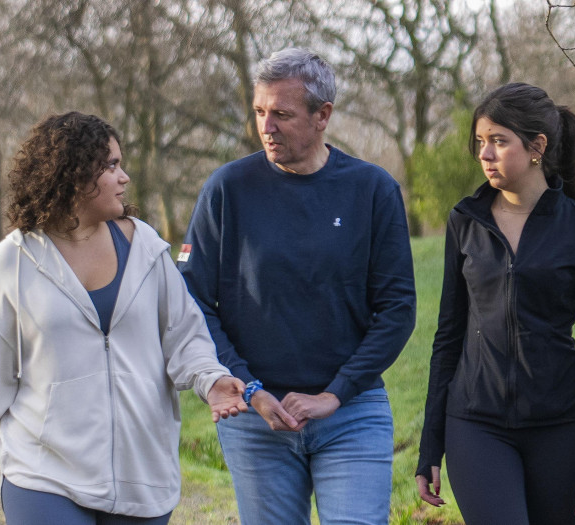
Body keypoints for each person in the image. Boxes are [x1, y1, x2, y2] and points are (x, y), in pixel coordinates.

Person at [0, 112, 247, 524]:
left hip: (143, 478)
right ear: (73, 175)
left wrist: (211, 380)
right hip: (43, 475)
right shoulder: (15, 262)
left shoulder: (146, 250)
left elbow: (185, 339)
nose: (124, 177)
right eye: (111, 166)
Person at [178, 48, 416, 525]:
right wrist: (248, 389)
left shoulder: (373, 190)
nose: (266, 127)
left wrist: (337, 393)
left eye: (282, 114)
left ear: (322, 115)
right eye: (260, 112)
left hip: (350, 413)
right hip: (255, 418)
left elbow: (397, 309)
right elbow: (192, 302)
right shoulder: (226, 189)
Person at [414, 82, 575, 525]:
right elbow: (447, 336)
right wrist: (431, 445)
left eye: (499, 142)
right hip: (475, 424)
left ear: (536, 147)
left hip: (561, 427)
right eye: (481, 142)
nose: (484, 154)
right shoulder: (464, 221)